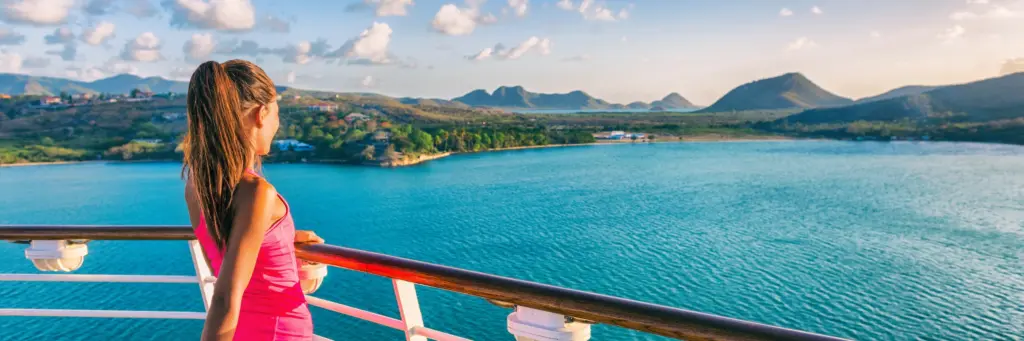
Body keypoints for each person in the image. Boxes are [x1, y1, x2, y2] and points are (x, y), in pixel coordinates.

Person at [181, 60, 322, 341]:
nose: (277, 125)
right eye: (276, 114)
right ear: (262, 113)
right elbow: (225, 298)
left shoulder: (197, 185)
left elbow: (227, 259)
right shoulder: (257, 192)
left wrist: (286, 238)